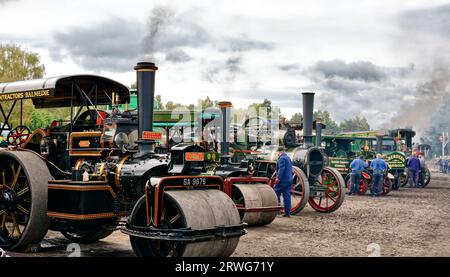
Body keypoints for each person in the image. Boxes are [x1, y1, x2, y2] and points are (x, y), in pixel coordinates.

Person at [273, 146, 293, 217]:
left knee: (275, 192)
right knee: (287, 195)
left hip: (283, 180)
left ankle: (276, 209)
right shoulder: (288, 158)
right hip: (289, 179)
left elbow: (281, 169)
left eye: (277, 152)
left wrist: (278, 178)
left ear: (280, 152)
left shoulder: (281, 158)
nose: (277, 154)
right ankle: (288, 213)